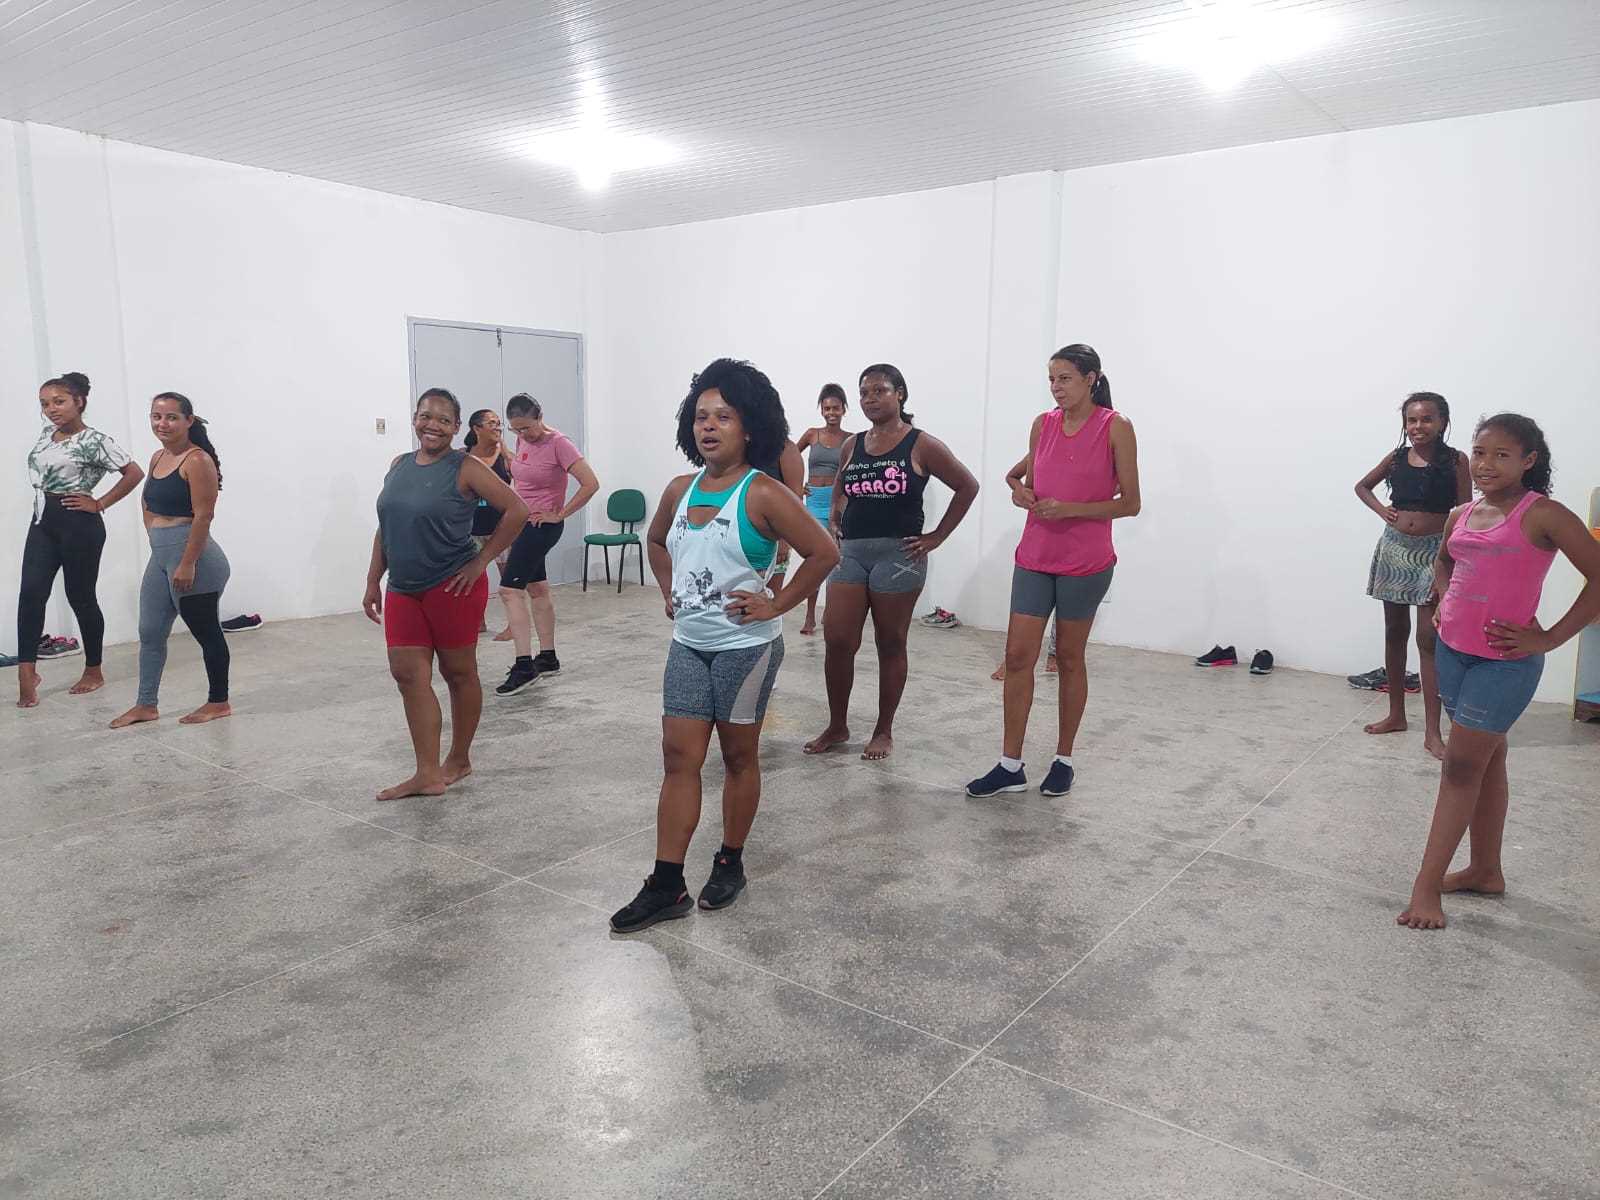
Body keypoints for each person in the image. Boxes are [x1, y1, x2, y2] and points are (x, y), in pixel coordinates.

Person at [610, 359, 838, 933]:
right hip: (689, 645)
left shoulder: (762, 492)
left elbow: (824, 553)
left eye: (725, 417)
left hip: (747, 650)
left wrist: (777, 605)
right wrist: (669, 590)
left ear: (750, 428)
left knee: (737, 758)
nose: (709, 427)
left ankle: (729, 862)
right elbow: (656, 540)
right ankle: (666, 883)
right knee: (678, 759)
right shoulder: (679, 490)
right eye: (701, 416)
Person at [1398, 413, 1600, 929]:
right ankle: (1486, 871)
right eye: (1480, 453)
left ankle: (1426, 888)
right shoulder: (1462, 513)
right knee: (1488, 757)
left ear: (1528, 461)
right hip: (1453, 653)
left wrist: (1549, 636)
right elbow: (1445, 560)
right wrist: (1444, 597)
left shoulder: (1544, 515)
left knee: (1461, 767)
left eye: (1502, 455)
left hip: (1505, 662)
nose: (1486, 465)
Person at [967, 345, 1141, 797]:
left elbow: (1131, 503)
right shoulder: (1042, 425)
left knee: (1068, 658)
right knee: (1018, 657)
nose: (1056, 388)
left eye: (1065, 378)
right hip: (1034, 555)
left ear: (1091, 379)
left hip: (1086, 561)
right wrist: (1016, 490)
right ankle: (1010, 765)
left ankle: (1063, 759)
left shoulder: (1115, 427)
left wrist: (1071, 509)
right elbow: (1017, 474)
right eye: (1051, 379)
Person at [804, 363, 979, 761]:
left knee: (890, 641)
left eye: (879, 391)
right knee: (838, 640)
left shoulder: (921, 444)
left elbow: (967, 486)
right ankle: (838, 725)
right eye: (864, 393)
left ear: (900, 394)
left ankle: (883, 730)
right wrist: (834, 516)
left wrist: (936, 537)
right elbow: (840, 486)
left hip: (898, 556)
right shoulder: (853, 445)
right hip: (851, 552)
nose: (870, 399)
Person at [364, 389, 527, 802]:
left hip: (453, 586)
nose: (431, 425)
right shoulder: (398, 465)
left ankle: (459, 758)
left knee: (458, 674)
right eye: (425, 416)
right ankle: (426, 773)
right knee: (407, 675)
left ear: (456, 428)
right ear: (415, 419)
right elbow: (387, 527)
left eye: (442, 419)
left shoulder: (466, 468)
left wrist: (480, 561)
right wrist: (372, 581)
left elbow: (517, 511)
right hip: (402, 587)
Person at [1354, 392, 1471, 760]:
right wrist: (1382, 511)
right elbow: (1362, 486)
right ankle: (1396, 715)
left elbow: (1465, 512)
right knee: (1394, 632)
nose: (1418, 427)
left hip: (1435, 554)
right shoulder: (1396, 458)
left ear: (1442, 422)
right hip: (1394, 550)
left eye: (1426, 419)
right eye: (1411, 420)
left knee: (1428, 640)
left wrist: (1451, 560)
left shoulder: (1456, 461)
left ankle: (1433, 732)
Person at [17, 372, 144, 708]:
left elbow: (133, 472)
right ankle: (26, 672)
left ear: (79, 402)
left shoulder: (96, 440)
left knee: (81, 597)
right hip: (43, 522)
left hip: (79, 525)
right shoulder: (48, 434)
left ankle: (94, 670)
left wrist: (99, 502)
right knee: (31, 594)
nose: (51, 409)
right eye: (45, 403)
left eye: (59, 401)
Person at [110, 394, 234, 729]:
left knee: (206, 631)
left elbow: (204, 515)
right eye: (156, 417)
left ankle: (218, 702)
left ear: (189, 421)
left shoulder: (197, 460)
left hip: (196, 558)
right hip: (161, 555)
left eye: (171, 418)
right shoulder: (157, 457)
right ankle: (146, 704)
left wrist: (187, 562)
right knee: (150, 631)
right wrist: (154, 534)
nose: (162, 424)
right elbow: (148, 500)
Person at [495, 393, 599, 695]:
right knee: (537, 588)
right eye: (516, 430)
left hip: (541, 526)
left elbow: (591, 483)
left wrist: (560, 513)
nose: (523, 434)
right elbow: (523, 474)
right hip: (521, 522)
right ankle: (548, 657)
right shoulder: (521, 441)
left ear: (540, 417)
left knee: (508, 590)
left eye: (527, 427)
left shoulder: (559, 443)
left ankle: (524, 666)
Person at [991, 453, 1056, 679]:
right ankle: (1010, 662)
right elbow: (1012, 477)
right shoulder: (1044, 442)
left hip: (1080, 546)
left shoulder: (1101, 442)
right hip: (1038, 545)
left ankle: (1055, 654)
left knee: (1069, 643)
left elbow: (1123, 493)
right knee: (1024, 614)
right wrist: (1020, 492)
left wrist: (1080, 505)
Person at [795, 383, 850, 635]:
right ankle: (810, 616)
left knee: (833, 559)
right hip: (813, 502)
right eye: (827, 408)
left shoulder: (850, 439)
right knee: (815, 558)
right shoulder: (811, 435)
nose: (831, 412)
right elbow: (790, 459)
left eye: (836, 408)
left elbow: (853, 472)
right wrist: (797, 487)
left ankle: (830, 612)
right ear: (821, 410)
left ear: (843, 409)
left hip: (836, 502)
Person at [463, 408, 514, 635]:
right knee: (473, 581)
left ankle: (515, 625)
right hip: (471, 530)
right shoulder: (463, 457)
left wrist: (505, 452)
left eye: (498, 423)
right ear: (477, 428)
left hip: (501, 529)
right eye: (491, 423)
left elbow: (520, 474)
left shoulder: (504, 457)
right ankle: (477, 623)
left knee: (510, 580)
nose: (497, 427)